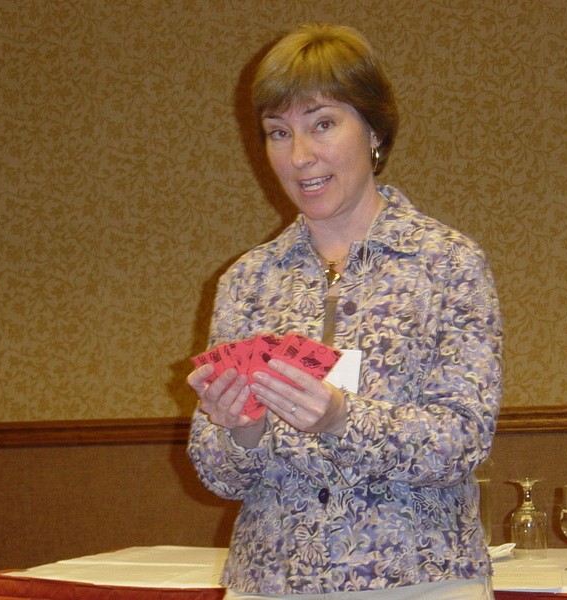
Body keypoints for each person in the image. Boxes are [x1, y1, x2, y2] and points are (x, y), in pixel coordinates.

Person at [187, 23, 503, 600]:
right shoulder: (247, 282)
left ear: (375, 130)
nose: (299, 156)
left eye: (322, 124)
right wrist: (244, 431)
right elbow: (215, 473)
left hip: (418, 581)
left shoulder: (446, 265)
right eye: (277, 133)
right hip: (270, 584)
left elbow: (462, 441)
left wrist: (341, 418)